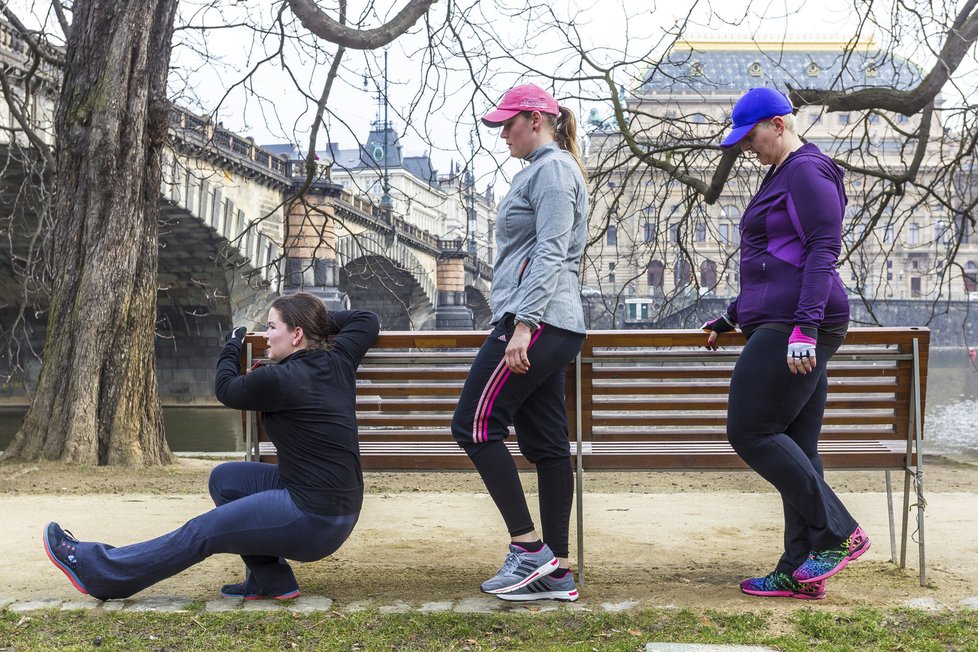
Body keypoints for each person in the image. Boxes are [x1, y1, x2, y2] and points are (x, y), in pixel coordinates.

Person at [43, 293, 380, 601]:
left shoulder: (278, 379)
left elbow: (225, 388)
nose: (264, 335)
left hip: (311, 516)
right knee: (225, 479)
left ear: (296, 334)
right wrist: (317, 324)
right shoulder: (340, 358)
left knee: (202, 531)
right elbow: (366, 318)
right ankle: (271, 580)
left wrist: (232, 345)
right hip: (339, 508)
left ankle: (102, 573)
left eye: (271, 326)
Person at [703, 87, 869, 600]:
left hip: (799, 322)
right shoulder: (783, 173)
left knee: (749, 430)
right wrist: (733, 316)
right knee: (797, 446)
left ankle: (838, 533)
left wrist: (804, 328)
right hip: (782, 316)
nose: (747, 147)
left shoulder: (807, 171)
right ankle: (800, 571)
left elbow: (823, 250)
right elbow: (776, 260)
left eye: (751, 135)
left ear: (778, 124)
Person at [450, 83, 589, 602]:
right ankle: (554, 570)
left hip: (538, 321)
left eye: (508, 124)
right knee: (549, 446)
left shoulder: (551, 171)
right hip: (553, 321)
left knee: (474, 425)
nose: (502, 134)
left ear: (536, 119)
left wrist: (524, 325)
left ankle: (528, 550)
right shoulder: (545, 170)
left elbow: (551, 251)